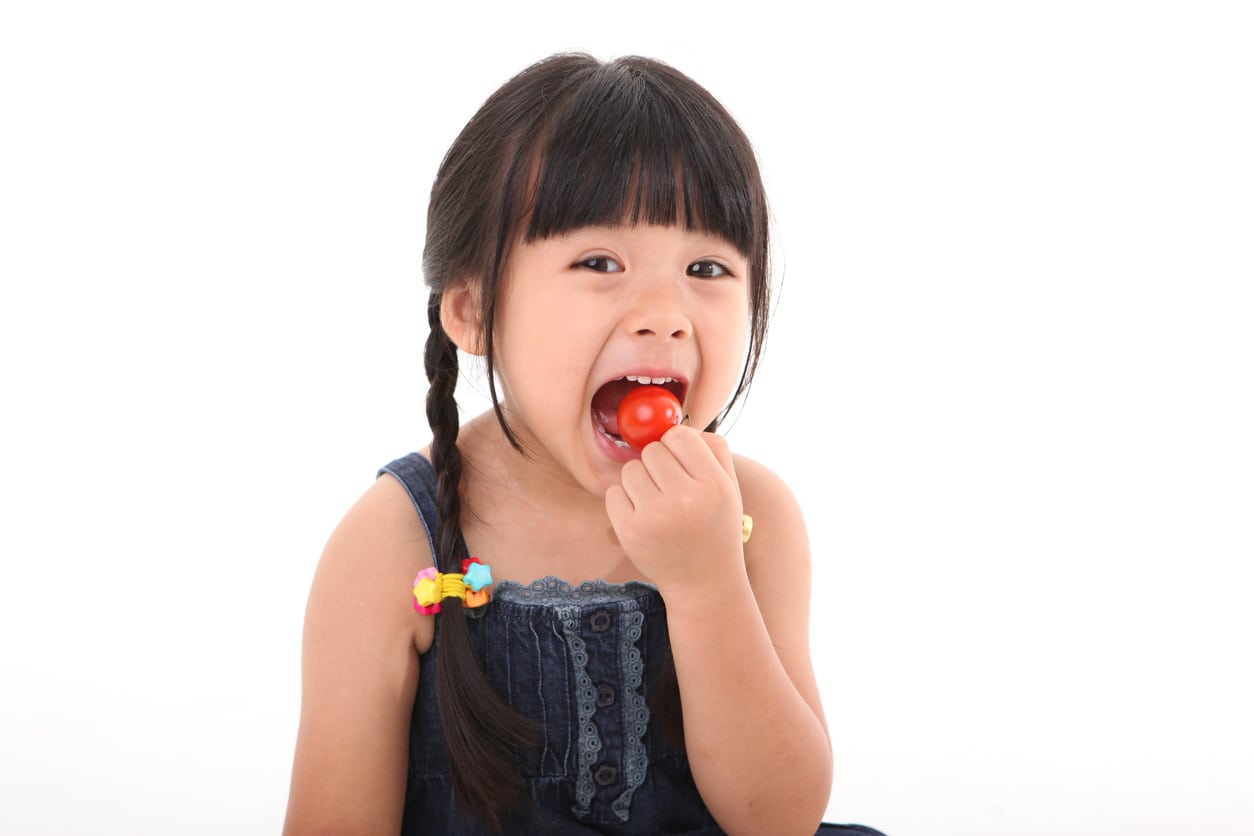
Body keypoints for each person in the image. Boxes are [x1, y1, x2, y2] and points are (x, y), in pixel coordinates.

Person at [284, 53, 884, 836]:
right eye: (600, 262)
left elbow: (780, 819)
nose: (664, 314)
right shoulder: (395, 541)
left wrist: (707, 584)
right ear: (472, 310)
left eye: (707, 267)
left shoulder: (752, 518)